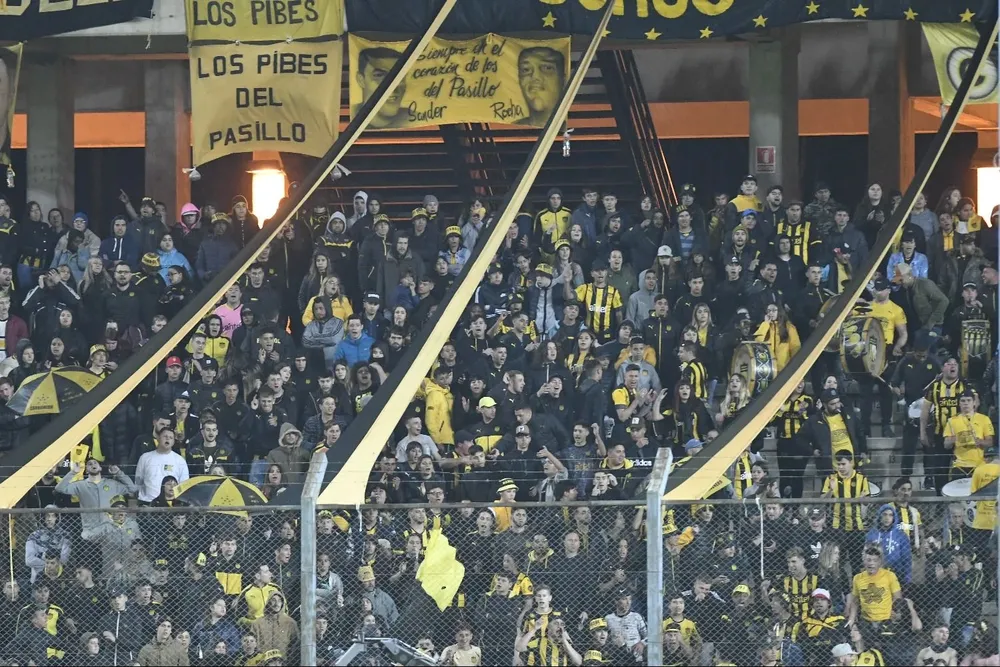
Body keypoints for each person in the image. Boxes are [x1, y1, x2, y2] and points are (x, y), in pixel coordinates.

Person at [353, 46, 408, 128]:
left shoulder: (412, 116)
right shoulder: (352, 113)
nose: (392, 88)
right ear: (361, 80)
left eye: (399, 77)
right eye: (379, 76)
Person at [514, 46, 565, 127]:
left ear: (562, 79)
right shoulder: (513, 128)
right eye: (526, 69)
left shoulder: (573, 128)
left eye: (547, 68)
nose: (535, 76)